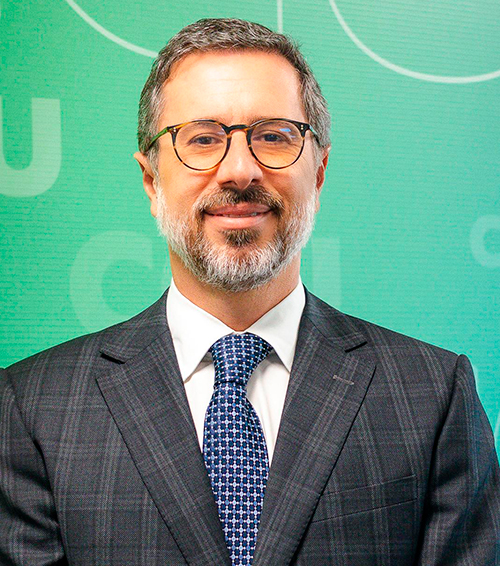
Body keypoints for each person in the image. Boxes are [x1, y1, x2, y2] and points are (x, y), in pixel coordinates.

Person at [1, 17, 499, 566]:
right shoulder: (32, 407)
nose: (240, 171)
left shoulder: (432, 395)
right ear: (151, 181)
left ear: (319, 174)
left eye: (274, 136)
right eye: (203, 139)